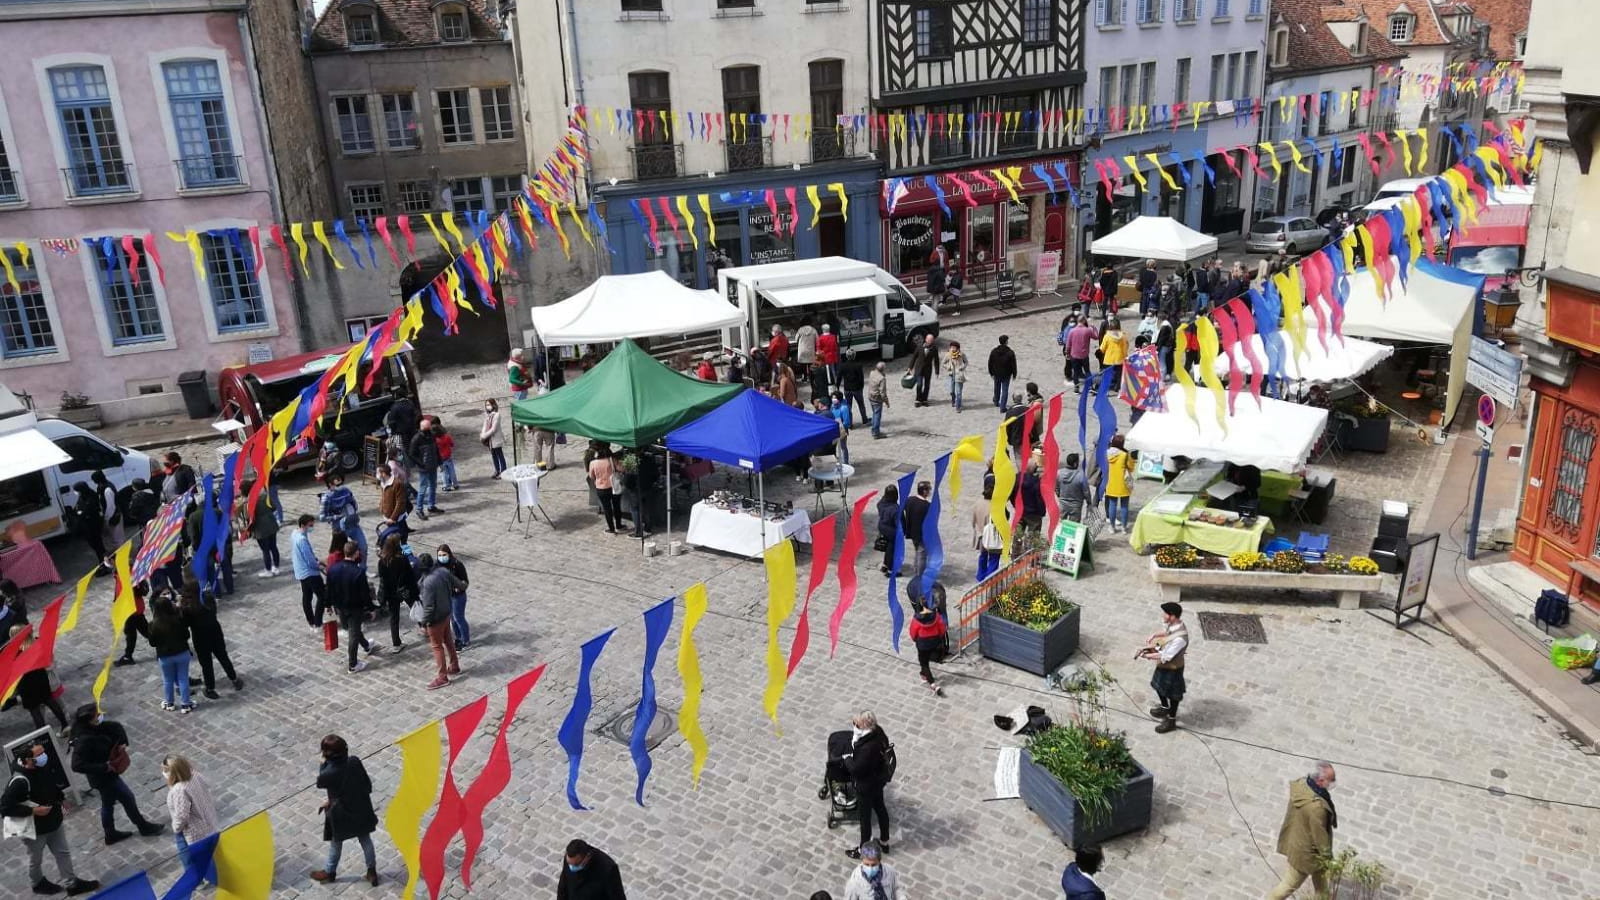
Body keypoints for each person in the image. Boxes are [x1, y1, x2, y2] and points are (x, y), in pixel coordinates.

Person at [4, 742, 101, 895]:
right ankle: (37, 883)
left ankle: (72, 884)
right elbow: (4, 807)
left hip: (53, 820)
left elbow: (51, 784)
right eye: (39, 754)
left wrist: (61, 798)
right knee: (35, 859)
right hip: (34, 829)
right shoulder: (18, 782)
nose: (44, 756)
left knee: (62, 852)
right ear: (28, 760)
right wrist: (33, 810)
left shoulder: (41, 767)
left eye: (43, 752)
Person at [68, 704, 164, 843]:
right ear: (90, 720)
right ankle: (142, 826)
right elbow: (76, 765)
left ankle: (110, 833)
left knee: (108, 803)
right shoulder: (83, 740)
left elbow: (116, 727)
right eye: (97, 714)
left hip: (107, 773)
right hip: (102, 777)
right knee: (127, 797)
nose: (100, 715)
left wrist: (122, 742)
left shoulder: (96, 728)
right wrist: (103, 767)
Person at [310, 735, 380, 886]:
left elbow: (321, 781)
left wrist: (322, 764)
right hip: (360, 808)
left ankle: (330, 872)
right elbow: (366, 784)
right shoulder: (354, 761)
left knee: (336, 843)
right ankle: (372, 872)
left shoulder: (328, 773)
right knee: (365, 839)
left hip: (341, 813)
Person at [1267, 762, 1339, 900]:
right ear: (1320, 780)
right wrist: (1329, 860)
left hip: (1297, 840)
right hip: (1307, 854)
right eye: (1331, 780)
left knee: (1322, 888)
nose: (1333, 783)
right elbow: (1321, 838)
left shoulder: (1302, 785)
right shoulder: (1317, 808)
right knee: (1287, 886)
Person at [843, 712, 892, 856]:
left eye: (856, 724)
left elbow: (856, 770)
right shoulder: (879, 732)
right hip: (878, 781)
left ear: (864, 725)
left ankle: (863, 849)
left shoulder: (867, 748)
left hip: (866, 786)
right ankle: (884, 842)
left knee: (865, 819)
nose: (854, 727)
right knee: (880, 809)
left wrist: (847, 759)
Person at [179, 587, 242, 698]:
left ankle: (210, 688)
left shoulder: (188, 608)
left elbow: (185, 624)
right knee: (223, 656)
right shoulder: (207, 598)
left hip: (200, 637)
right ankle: (234, 679)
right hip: (215, 633)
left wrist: (180, 610)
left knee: (206, 664)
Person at [1136, 601, 1188, 733]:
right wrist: (1155, 636)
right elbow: (1167, 634)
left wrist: (1147, 656)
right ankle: (1165, 707)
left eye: (1165, 613)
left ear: (1172, 616)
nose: (1163, 615)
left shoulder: (1180, 639)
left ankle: (1171, 720)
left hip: (1173, 668)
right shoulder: (1175, 625)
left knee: (1173, 695)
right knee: (1158, 686)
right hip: (1165, 666)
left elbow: (1166, 655)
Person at [162, 756, 219, 873]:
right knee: (209, 852)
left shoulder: (179, 789)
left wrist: (176, 828)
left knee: (188, 857)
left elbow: (182, 815)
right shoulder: (195, 775)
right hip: (208, 821)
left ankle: (198, 879)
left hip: (192, 830)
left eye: (165, 770)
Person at [327, 542, 377, 673]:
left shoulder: (333, 569)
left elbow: (329, 589)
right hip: (354, 608)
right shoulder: (358, 572)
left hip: (340, 607)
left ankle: (366, 646)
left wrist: (329, 605)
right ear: (356, 553)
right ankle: (353, 664)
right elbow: (365, 594)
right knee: (353, 634)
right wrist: (371, 609)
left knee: (352, 629)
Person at [416, 554, 462, 689]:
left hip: (435, 619)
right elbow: (458, 583)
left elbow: (429, 606)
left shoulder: (428, 582)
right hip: (446, 612)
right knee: (448, 640)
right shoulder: (443, 571)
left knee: (437, 646)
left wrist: (424, 623)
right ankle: (454, 665)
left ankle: (442, 677)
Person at [9, 626, 66, 730]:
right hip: (41, 678)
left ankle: (43, 735)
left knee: (35, 711)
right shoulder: (37, 642)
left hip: (26, 684)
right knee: (50, 701)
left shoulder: (14, 652)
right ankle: (65, 725)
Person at [148, 592, 194, 713]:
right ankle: (186, 704)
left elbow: (152, 643)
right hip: (182, 653)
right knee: (183, 679)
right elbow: (186, 635)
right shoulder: (177, 620)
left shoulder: (153, 625)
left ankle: (170, 703)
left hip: (165, 657)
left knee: (167, 680)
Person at [376, 535, 416, 650]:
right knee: (415, 607)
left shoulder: (382, 561)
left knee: (394, 618)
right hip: (403, 589)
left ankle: (396, 643)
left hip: (390, 593)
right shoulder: (401, 560)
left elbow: (382, 580)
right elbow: (410, 576)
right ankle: (425, 627)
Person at [557, 838, 626, 899]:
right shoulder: (570, 859)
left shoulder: (608, 869)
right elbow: (563, 886)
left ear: (587, 857)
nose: (571, 867)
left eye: (576, 864)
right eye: (569, 863)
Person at [319, 473, 366, 562]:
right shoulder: (326, 497)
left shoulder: (346, 491)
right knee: (339, 552)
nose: (341, 486)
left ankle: (362, 569)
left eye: (341, 483)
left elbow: (354, 503)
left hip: (353, 524)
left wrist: (353, 509)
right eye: (338, 485)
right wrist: (337, 516)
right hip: (339, 529)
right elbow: (322, 517)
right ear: (330, 484)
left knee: (363, 547)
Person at [292, 514, 327, 630]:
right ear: (303, 525)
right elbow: (309, 560)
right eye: (310, 525)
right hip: (310, 573)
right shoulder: (302, 540)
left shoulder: (294, 534)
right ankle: (317, 623)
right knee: (322, 597)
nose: (312, 527)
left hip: (301, 572)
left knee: (307, 597)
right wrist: (320, 566)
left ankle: (311, 621)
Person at [65, 482, 108, 573]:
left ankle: (104, 563)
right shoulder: (83, 497)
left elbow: (86, 511)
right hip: (87, 527)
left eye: (77, 491)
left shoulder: (91, 496)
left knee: (98, 545)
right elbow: (78, 509)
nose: (76, 493)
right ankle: (103, 561)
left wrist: (80, 513)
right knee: (95, 546)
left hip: (93, 526)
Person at [436, 543, 471, 652]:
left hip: (458, 596)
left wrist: (459, 588)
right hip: (446, 596)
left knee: (458, 618)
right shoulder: (437, 566)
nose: (442, 557)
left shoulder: (457, 565)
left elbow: (465, 581)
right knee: (452, 619)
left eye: (444, 555)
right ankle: (458, 637)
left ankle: (465, 640)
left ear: (449, 554)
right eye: (440, 555)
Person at [908, 603, 946, 695]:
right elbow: (942, 628)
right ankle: (923, 673)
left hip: (922, 644)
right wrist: (939, 637)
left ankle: (933, 684)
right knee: (925, 660)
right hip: (934, 642)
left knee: (924, 663)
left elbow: (913, 632)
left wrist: (916, 640)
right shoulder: (936, 616)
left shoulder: (916, 619)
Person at [244, 484, 281, 577]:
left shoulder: (249, 502)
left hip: (260, 529)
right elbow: (274, 507)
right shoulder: (264, 496)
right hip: (271, 524)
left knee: (265, 550)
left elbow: (249, 517)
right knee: (273, 547)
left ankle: (268, 570)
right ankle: (276, 567)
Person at [113, 582, 152, 667]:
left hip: (132, 610)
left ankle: (128, 656)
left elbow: (142, 591)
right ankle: (166, 643)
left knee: (132, 633)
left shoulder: (131, 575)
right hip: (130, 610)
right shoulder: (120, 573)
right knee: (144, 630)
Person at [408, 419, 442, 519]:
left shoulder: (431, 435)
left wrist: (440, 462)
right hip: (424, 468)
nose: (428, 430)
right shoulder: (417, 438)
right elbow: (412, 454)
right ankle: (419, 509)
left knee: (433, 486)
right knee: (423, 488)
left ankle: (431, 506)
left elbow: (436, 449)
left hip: (432, 465)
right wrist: (421, 464)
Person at [902, 481, 933, 588]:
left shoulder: (910, 500)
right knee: (921, 555)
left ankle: (916, 570)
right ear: (924, 491)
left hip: (911, 531)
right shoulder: (927, 506)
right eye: (928, 490)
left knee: (917, 551)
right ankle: (920, 575)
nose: (929, 492)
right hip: (922, 534)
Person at [972, 485, 1003, 582]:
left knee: (983, 556)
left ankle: (980, 576)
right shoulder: (995, 507)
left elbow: (973, 521)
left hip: (981, 535)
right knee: (994, 558)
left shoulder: (977, 504)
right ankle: (989, 578)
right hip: (993, 536)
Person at [588, 446, 623, 535]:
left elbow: (591, 476)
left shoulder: (593, 463)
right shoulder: (612, 460)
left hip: (601, 488)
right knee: (617, 506)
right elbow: (621, 469)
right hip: (613, 486)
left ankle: (611, 528)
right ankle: (619, 525)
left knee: (607, 509)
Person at [1103, 436, 1134, 533]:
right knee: (1124, 506)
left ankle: (1112, 527)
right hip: (1123, 484)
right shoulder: (1125, 455)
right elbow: (1131, 468)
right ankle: (1124, 528)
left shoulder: (1107, 453)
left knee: (1112, 505)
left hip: (1111, 483)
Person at [376, 465, 411, 546]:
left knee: (402, 540)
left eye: (378, 472)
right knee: (394, 540)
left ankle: (408, 555)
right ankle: (401, 554)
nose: (376, 474)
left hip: (396, 518)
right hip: (387, 517)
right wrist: (381, 507)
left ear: (383, 474)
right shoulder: (383, 482)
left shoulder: (397, 484)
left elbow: (400, 502)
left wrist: (393, 518)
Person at [1057, 453, 1094, 524]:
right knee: (1073, 526)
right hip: (1076, 505)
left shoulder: (1059, 473)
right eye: (1078, 462)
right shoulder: (1081, 476)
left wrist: (1059, 495)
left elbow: (1056, 487)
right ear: (1075, 463)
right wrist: (1089, 502)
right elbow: (1086, 491)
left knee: (1061, 524)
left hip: (1063, 503)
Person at [907, 333, 938, 407]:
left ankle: (924, 399)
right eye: (929, 340)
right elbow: (914, 357)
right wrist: (910, 367)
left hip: (928, 369)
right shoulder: (919, 347)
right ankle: (918, 399)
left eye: (932, 340)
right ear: (926, 339)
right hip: (919, 369)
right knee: (919, 384)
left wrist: (937, 371)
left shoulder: (934, 349)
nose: (930, 341)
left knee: (927, 385)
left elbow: (936, 360)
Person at [987, 335, 1017, 409]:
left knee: (997, 388)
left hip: (996, 373)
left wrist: (991, 373)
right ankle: (1003, 406)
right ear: (1006, 342)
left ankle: (996, 401)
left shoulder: (994, 351)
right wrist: (1014, 373)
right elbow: (1013, 364)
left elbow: (990, 363)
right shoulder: (1010, 352)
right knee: (1005, 390)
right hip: (1006, 374)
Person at [1066, 317, 1096, 392]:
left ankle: (1076, 388)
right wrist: (1093, 328)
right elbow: (1096, 337)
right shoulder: (1088, 330)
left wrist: (1067, 353)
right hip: (1084, 355)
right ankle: (1090, 386)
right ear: (1084, 321)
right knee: (1087, 371)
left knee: (1075, 372)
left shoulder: (1072, 331)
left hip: (1074, 355)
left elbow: (1068, 344)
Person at [1098, 319, 1129, 393]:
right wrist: (1125, 356)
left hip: (1109, 359)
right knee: (1119, 375)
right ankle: (1118, 387)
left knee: (1107, 375)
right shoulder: (1123, 336)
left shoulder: (1107, 336)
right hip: (1120, 359)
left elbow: (1102, 348)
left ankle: (1106, 388)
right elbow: (1125, 348)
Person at [1016, 461, 1045, 537]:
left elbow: (1012, 494)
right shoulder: (1036, 482)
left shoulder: (1016, 478)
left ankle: (1016, 548)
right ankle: (1031, 548)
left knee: (1018, 534)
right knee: (1034, 537)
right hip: (1033, 514)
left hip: (1020, 511)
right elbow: (1039, 499)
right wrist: (1042, 512)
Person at [876, 484, 900, 575]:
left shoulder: (882, 503)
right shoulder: (895, 509)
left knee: (888, 546)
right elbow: (898, 523)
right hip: (891, 530)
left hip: (882, 525)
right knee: (892, 547)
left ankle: (885, 565)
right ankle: (890, 569)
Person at [481, 399, 508, 478]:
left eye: (489, 404)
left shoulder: (497, 415)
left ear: (493, 405)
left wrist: (484, 436)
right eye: (486, 405)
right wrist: (482, 434)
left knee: (499, 454)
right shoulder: (487, 415)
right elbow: (485, 425)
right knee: (493, 455)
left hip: (496, 438)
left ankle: (503, 471)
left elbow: (493, 429)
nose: (488, 406)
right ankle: (497, 470)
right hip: (490, 440)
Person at [866, 362, 890, 439]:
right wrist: (886, 402)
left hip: (870, 396)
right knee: (877, 416)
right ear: (883, 369)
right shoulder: (882, 378)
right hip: (877, 399)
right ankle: (876, 433)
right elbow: (883, 393)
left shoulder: (872, 373)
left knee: (874, 413)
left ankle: (874, 429)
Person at [828, 392, 853, 466]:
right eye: (832, 398)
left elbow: (847, 422)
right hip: (833, 429)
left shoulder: (844, 408)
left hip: (842, 429)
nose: (833, 399)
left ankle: (846, 462)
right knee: (833, 447)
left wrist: (840, 425)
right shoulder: (832, 406)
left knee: (843, 446)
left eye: (835, 398)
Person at [943, 340, 968, 412]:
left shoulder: (962, 354)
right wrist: (948, 367)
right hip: (951, 375)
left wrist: (963, 367)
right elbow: (943, 363)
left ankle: (958, 406)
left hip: (959, 375)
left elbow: (966, 362)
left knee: (959, 392)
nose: (952, 348)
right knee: (952, 391)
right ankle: (953, 401)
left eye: (954, 347)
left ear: (957, 348)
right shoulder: (948, 355)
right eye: (951, 347)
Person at [436, 424, 459, 492]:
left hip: (440, 459)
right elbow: (452, 444)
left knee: (444, 473)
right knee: (452, 471)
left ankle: (446, 486)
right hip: (448, 457)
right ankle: (455, 484)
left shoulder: (435, 440)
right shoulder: (447, 437)